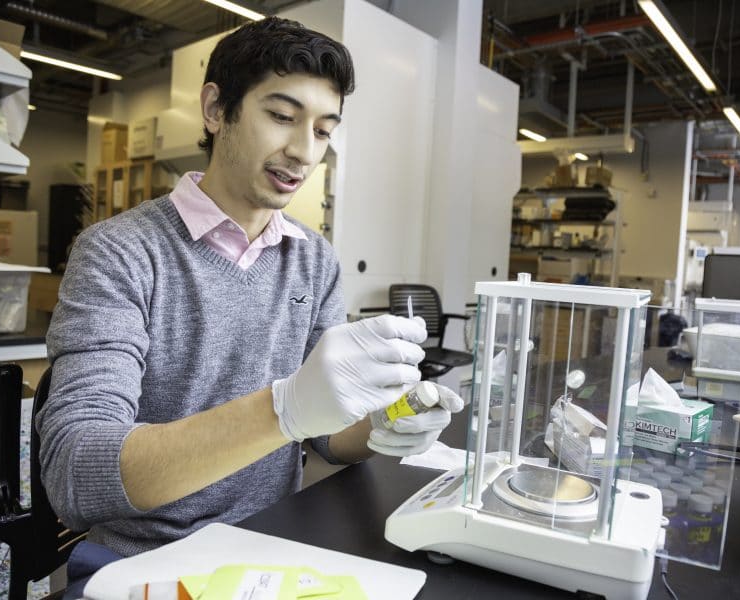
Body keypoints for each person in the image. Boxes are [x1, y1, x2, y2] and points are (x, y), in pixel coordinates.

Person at [37, 16, 463, 558]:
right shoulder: (119, 253)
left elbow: (328, 437)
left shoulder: (313, 260)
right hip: (145, 560)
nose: (306, 153)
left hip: (275, 544)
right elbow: (77, 475)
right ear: (216, 109)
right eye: (282, 116)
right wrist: (283, 408)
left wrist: (383, 423)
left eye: (324, 131)